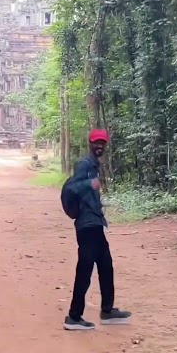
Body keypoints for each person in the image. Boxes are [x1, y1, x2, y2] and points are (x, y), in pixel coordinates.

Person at [63, 129, 132, 331]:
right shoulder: (85, 164)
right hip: (87, 226)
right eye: (96, 143)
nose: (99, 146)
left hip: (95, 223)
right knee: (85, 270)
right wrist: (89, 184)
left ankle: (108, 311)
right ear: (90, 144)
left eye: (102, 143)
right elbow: (71, 188)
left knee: (106, 266)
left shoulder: (94, 164)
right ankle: (74, 317)